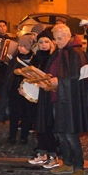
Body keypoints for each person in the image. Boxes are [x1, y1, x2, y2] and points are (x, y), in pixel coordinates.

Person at [38, 24, 88, 175]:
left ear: (68, 36)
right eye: (55, 39)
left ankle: (79, 166)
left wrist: (59, 82)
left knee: (70, 133)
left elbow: (80, 78)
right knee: (61, 132)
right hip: (57, 97)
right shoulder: (59, 51)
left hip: (70, 100)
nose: (57, 42)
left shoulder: (76, 53)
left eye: (59, 38)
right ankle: (68, 162)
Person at [0, 34, 36, 145]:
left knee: (27, 115)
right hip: (14, 91)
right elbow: (8, 74)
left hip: (27, 92)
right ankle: (12, 136)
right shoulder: (15, 58)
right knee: (14, 115)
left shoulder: (33, 59)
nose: (20, 48)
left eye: (23, 46)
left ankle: (24, 136)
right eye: (19, 45)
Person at [29, 30, 59, 167]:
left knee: (48, 125)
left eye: (46, 41)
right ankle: (42, 153)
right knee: (38, 124)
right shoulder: (36, 57)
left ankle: (53, 155)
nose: (44, 45)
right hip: (37, 95)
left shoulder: (54, 57)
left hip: (49, 95)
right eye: (41, 42)